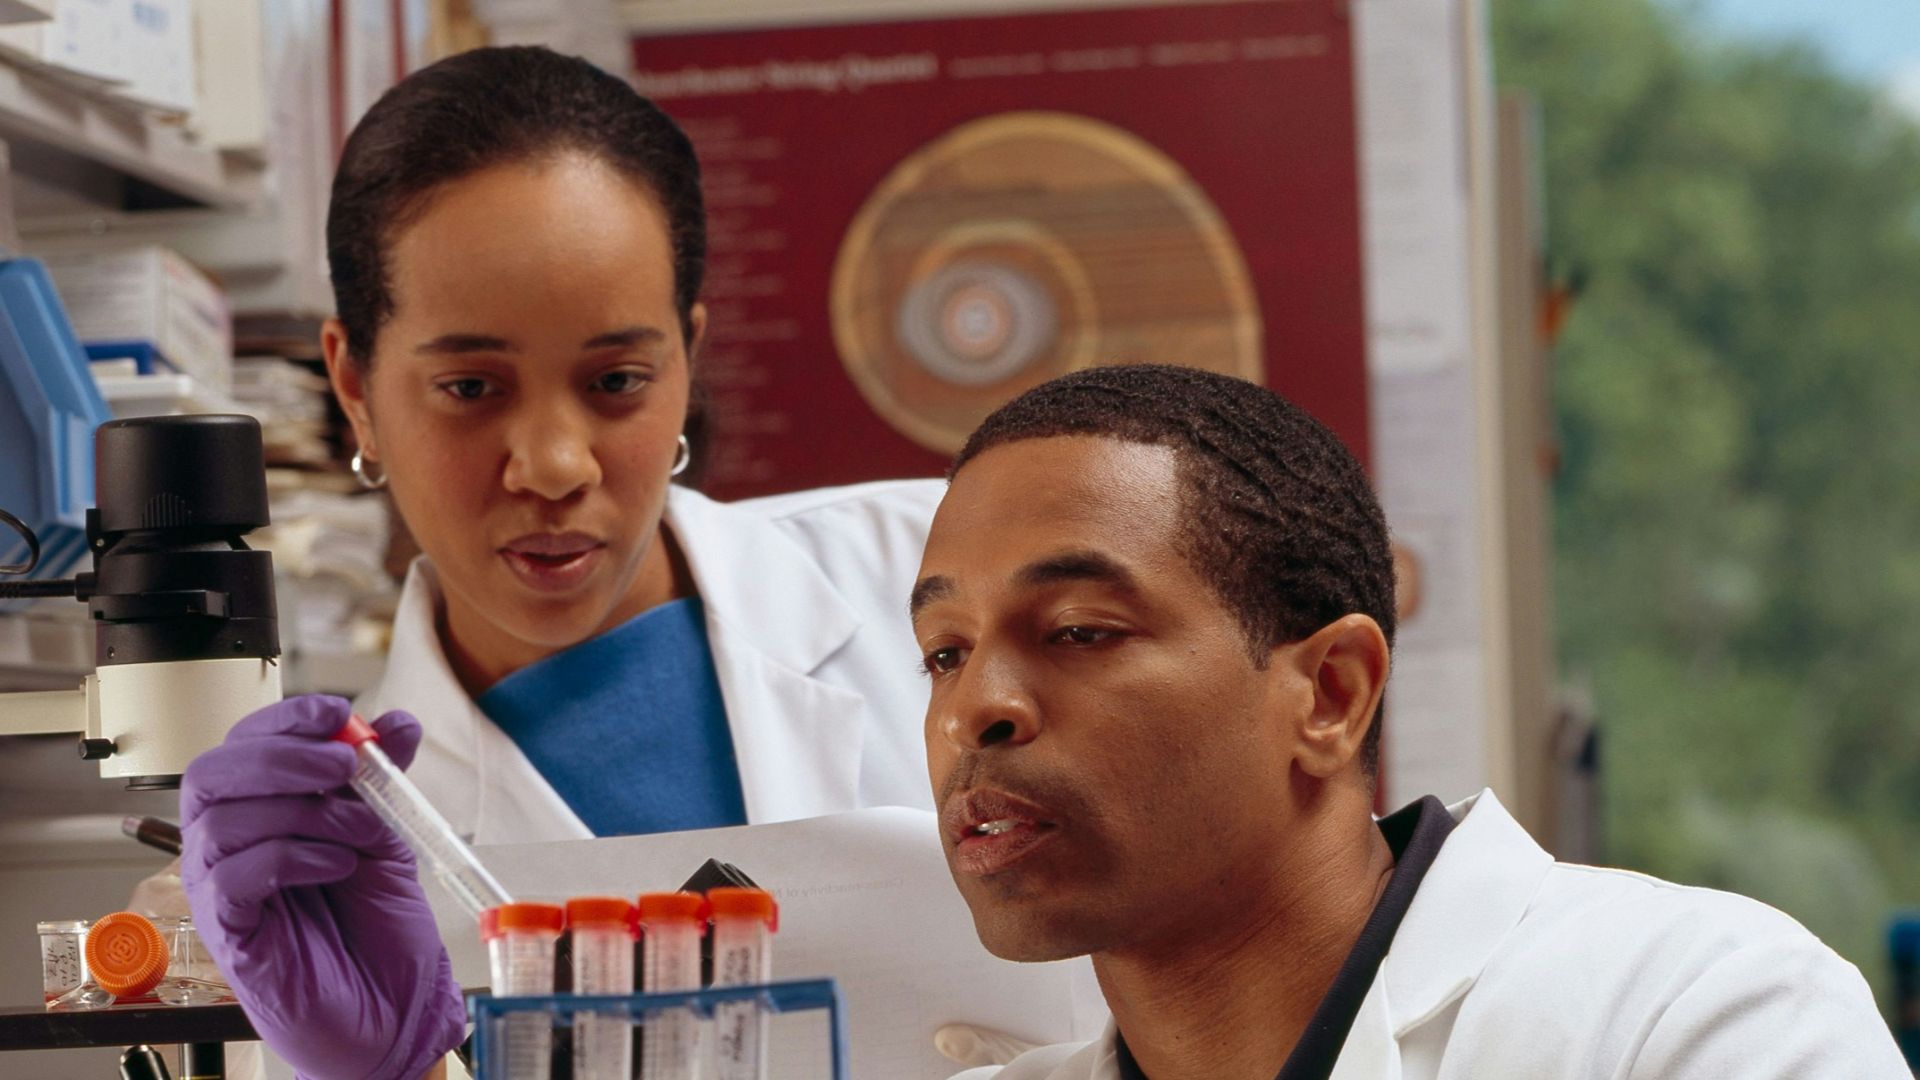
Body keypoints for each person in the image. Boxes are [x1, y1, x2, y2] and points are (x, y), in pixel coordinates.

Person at [176, 45, 945, 1080]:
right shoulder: (343, 863)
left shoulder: (947, 575)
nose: (552, 465)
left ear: (688, 357)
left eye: (618, 378)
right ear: (354, 386)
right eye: (471, 388)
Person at [910, 364, 1907, 1079]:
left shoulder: (1689, 1016)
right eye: (943, 654)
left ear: (1332, 694)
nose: (974, 711)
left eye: (1080, 631)